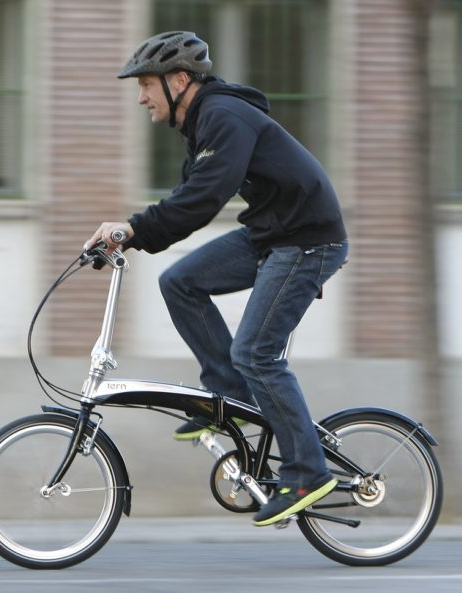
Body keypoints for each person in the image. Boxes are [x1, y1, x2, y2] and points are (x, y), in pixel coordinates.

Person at [85, 31, 348, 527]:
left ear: (179, 80)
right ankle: (229, 396)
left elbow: (205, 196)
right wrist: (131, 233)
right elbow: (188, 195)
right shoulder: (202, 124)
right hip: (273, 234)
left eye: (145, 85)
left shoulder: (223, 117)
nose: (140, 97)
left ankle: (308, 472)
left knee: (256, 352)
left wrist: (134, 227)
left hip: (308, 240)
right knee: (179, 281)